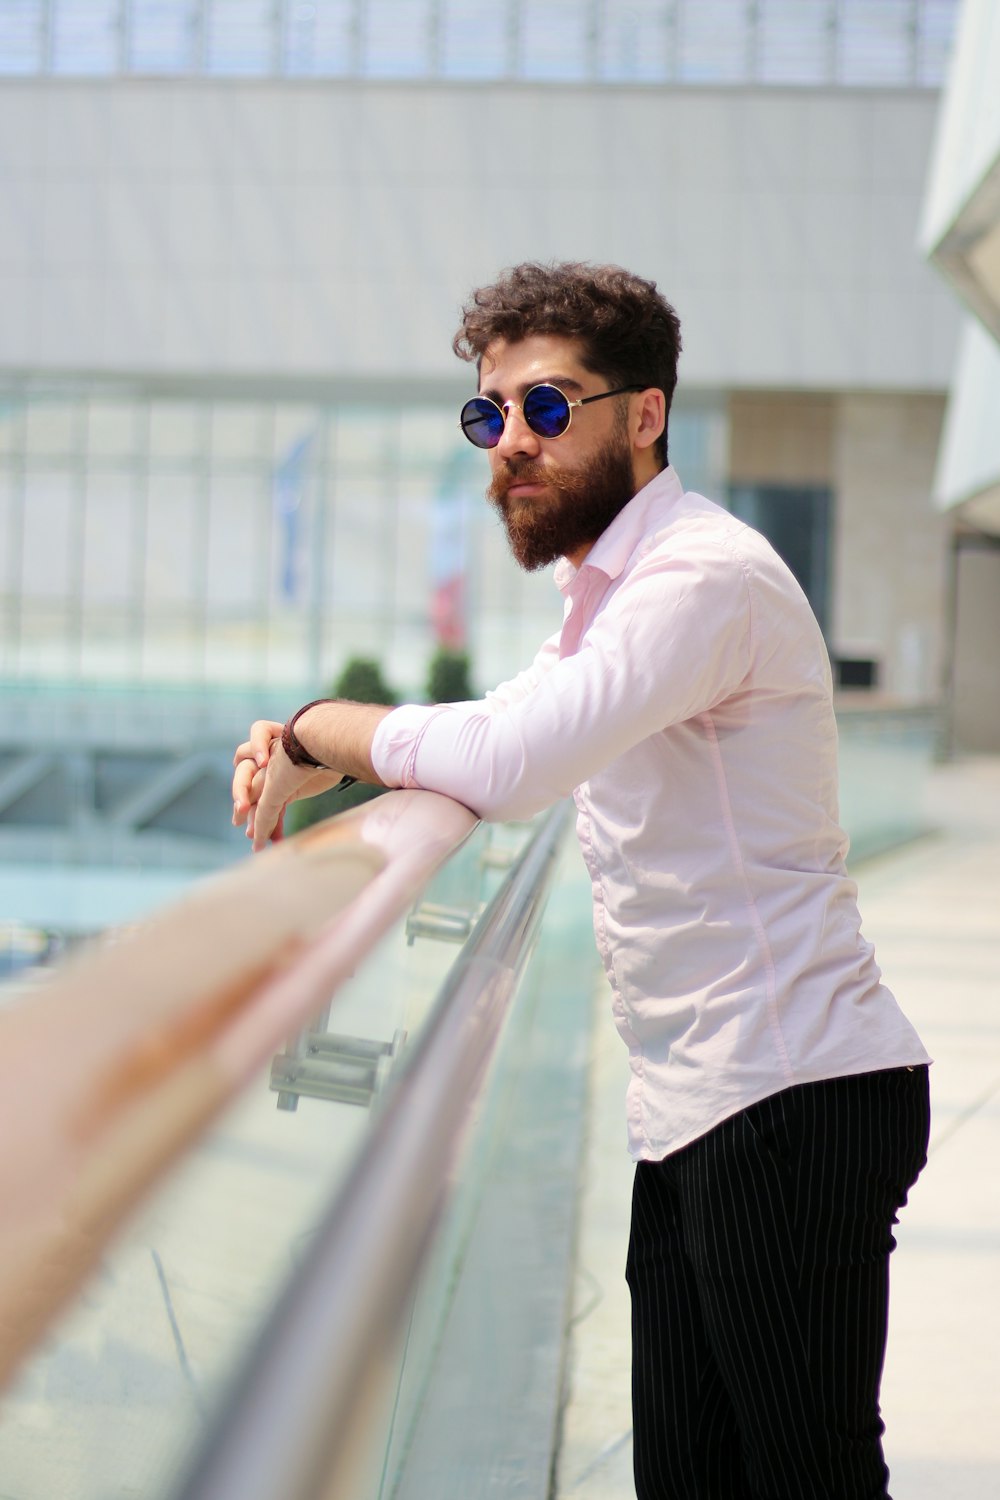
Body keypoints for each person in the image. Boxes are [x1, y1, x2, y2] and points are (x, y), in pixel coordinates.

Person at [232, 261, 930, 1500]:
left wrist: (309, 723)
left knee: (812, 1481)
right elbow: (508, 722)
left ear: (643, 414)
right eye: (487, 415)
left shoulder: (698, 579)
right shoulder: (603, 597)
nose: (509, 442)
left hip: (789, 1091)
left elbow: (510, 759)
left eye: (546, 408)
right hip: (700, 1106)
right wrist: (323, 756)